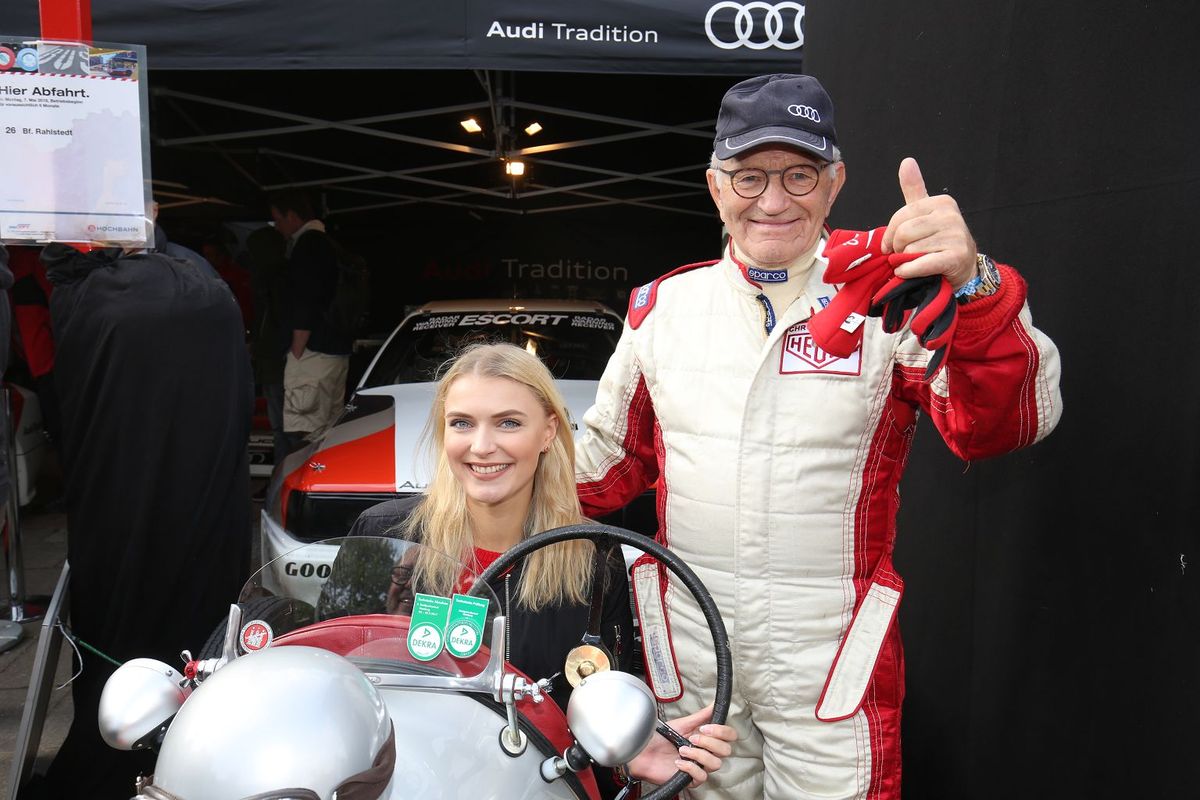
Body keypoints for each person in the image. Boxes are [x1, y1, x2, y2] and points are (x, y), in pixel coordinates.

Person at [574, 74, 1063, 799]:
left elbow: (1001, 424)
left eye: (798, 175)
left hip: (830, 669)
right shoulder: (664, 308)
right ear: (714, 187)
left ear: (835, 184)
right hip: (692, 659)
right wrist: (485, 464)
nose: (773, 201)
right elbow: (599, 472)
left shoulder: (893, 297)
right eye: (748, 176)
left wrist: (975, 286)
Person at [348, 342, 736, 797]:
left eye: (508, 423)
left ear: (548, 432)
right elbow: (347, 689)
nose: (482, 446)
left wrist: (626, 752)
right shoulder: (386, 536)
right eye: (462, 423)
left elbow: (595, 703)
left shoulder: (593, 556)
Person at [34, 241, 254, 799]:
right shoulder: (200, 286)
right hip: (195, 519)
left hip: (126, 520)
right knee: (197, 639)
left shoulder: (95, 295)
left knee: (139, 637)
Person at [268, 190, 352, 453]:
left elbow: (305, 299)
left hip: (312, 351)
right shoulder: (331, 244)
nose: (277, 227)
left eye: (277, 220)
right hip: (335, 349)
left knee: (306, 433)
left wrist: (297, 349)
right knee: (328, 431)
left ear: (292, 216)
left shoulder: (308, 245)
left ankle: (307, 480)